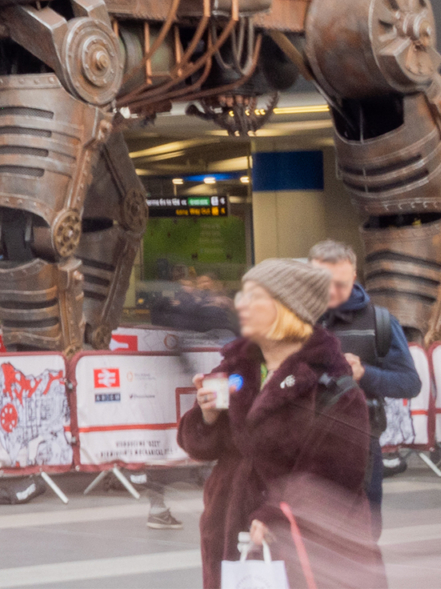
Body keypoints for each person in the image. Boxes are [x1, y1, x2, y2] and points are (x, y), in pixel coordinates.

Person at [178, 259, 383, 589]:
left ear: (288, 308)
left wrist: (275, 516)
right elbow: (198, 446)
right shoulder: (235, 367)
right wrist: (207, 417)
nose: (240, 303)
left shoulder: (330, 380)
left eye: (255, 296)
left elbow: (336, 472)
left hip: (306, 544)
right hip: (230, 532)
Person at [310, 239, 422, 537]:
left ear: (354, 279)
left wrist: (364, 374)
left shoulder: (379, 322)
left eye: (341, 285)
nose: (332, 293)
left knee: (363, 536)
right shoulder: (294, 320)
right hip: (303, 441)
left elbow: (410, 384)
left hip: (360, 443)